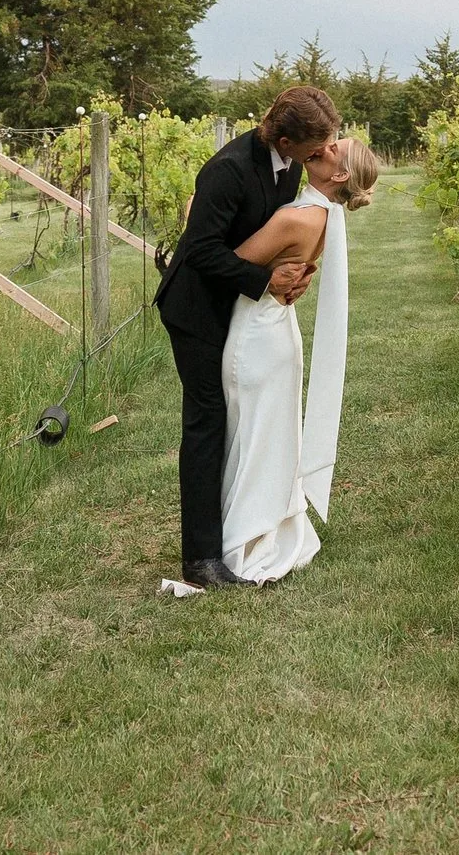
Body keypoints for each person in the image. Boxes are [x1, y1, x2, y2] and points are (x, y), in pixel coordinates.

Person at [154, 86, 337, 589]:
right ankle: (200, 559)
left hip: (236, 309)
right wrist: (263, 283)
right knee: (207, 422)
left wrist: (288, 275)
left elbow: (260, 238)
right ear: (284, 138)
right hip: (195, 310)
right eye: (315, 149)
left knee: (236, 419)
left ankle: (239, 527)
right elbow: (202, 251)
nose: (321, 156)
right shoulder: (228, 169)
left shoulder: (290, 165)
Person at [216, 136, 380, 583]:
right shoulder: (324, 217)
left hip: (257, 336)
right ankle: (261, 525)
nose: (322, 147)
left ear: (340, 174)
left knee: (251, 434)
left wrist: (198, 212)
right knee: (266, 433)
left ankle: (245, 539)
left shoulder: (295, 217)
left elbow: (226, 264)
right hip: (277, 334)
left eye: (333, 149)